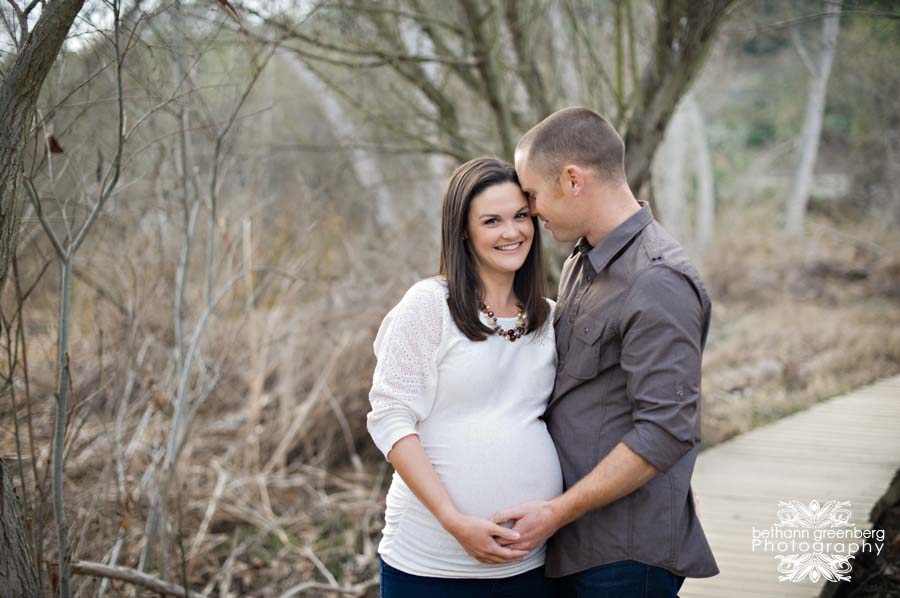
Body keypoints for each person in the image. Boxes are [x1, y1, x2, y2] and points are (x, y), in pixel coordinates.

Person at [492, 107, 719, 597]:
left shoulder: (657, 279)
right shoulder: (583, 262)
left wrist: (554, 512)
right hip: (580, 545)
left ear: (572, 179)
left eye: (531, 194)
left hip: (623, 555)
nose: (530, 209)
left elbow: (665, 430)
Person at [366, 157, 562, 597]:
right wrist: (454, 520)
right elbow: (390, 417)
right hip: (432, 565)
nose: (512, 232)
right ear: (462, 231)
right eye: (492, 221)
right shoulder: (429, 304)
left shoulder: (550, 318)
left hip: (530, 565)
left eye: (520, 216)